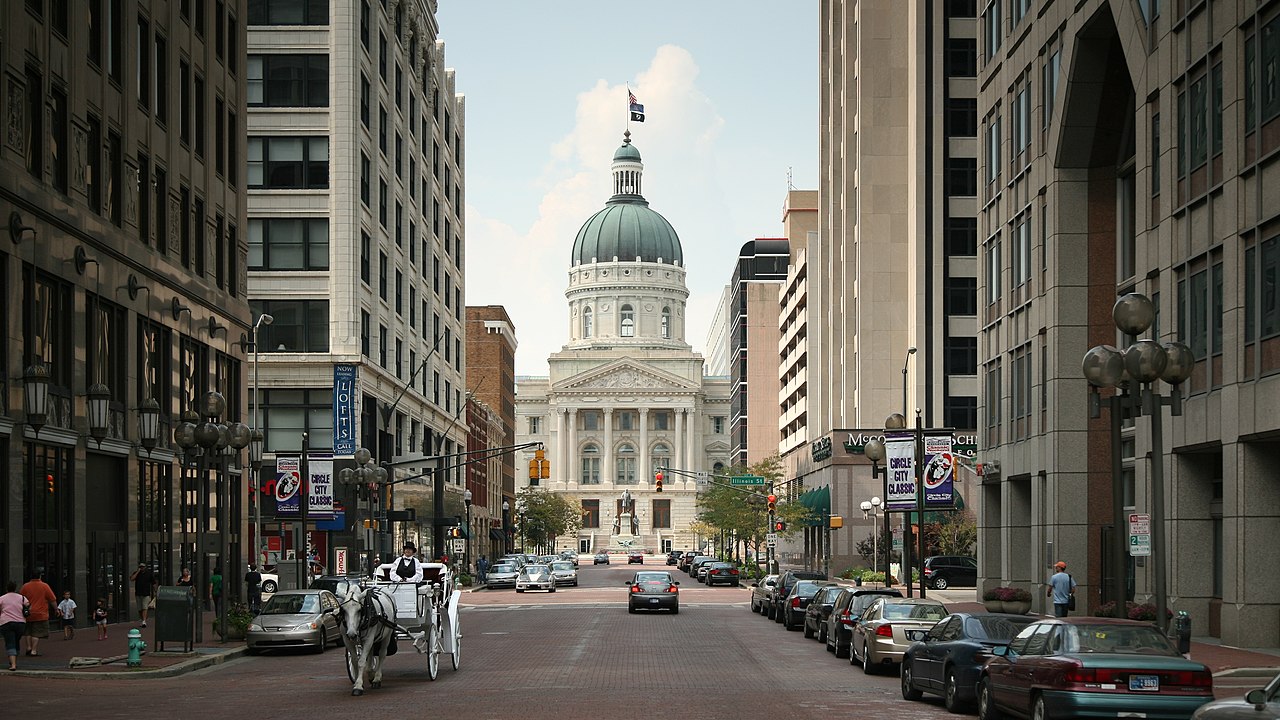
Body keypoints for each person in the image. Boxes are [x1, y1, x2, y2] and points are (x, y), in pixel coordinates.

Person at [19, 570, 56, 657]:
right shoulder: (44, 586)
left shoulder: (25, 586)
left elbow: (21, 598)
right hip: (40, 613)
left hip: (28, 613)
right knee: (37, 633)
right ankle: (34, 650)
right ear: (40, 576)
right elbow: (52, 599)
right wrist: (56, 609)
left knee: (28, 631)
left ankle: (28, 647)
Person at [1, 581, 30, 671]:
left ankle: (13, 664)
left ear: (7, 588)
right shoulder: (22, 598)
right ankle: (14, 659)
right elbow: (28, 605)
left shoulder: (2, 598)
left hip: (6, 622)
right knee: (16, 641)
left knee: (10, 642)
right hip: (20, 623)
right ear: (15, 588)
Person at [130, 562, 156, 627]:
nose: (141, 568)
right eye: (140, 567)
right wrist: (137, 572)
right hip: (138, 593)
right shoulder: (137, 573)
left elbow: (153, 583)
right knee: (140, 608)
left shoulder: (149, 574)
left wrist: (155, 590)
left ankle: (144, 621)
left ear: (145, 567)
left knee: (144, 607)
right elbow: (132, 579)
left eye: (143, 567)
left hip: (146, 593)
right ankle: (142, 619)